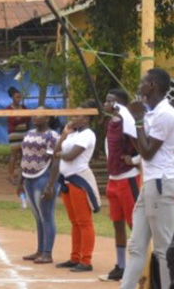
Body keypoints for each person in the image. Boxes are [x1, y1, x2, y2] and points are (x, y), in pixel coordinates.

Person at [121, 68, 174, 289]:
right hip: (151, 183)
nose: (139, 86)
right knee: (136, 246)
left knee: (163, 249)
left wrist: (139, 120)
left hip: (161, 183)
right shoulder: (153, 113)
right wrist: (129, 119)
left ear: (152, 85)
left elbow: (148, 152)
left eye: (143, 82)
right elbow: (140, 147)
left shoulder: (165, 114)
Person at [47, 101, 99, 273]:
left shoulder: (88, 135)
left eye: (77, 115)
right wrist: (63, 134)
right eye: (73, 115)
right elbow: (56, 151)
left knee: (84, 222)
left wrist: (61, 154)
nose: (73, 118)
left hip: (79, 180)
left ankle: (86, 260)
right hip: (67, 181)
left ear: (86, 118)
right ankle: (75, 256)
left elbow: (69, 156)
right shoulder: (73, 134)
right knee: (75, 222)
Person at [102, 89, 139, 282]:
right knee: (117, 223)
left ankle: (140, 265)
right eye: (106, 100)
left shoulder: (128, 122)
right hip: (113, 179)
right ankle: (121, 265)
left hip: (128, 178)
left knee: (135, 224)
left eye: (111, 102)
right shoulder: (111, 123)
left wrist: (133, 160)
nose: (106, 104)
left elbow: (142, 146)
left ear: (120, 105)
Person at [19, 114, 58, 264]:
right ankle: (40, 250)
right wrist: (19, 182)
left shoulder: (52, 136)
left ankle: (47, 253)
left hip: (43, 177)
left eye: (39, 114)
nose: (35, 116)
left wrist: (50, 185)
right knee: (38, 217)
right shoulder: (29, 133)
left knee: (46, 216)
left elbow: (55, 161)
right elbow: (24, 157)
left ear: (47, 118)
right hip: (28, 178)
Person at [7, 87, 30, 188]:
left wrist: (19, 118)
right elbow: (12, 121)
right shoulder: (8, 109)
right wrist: (21, 119)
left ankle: (21, 175)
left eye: (20, 97)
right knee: (14, 154)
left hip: (24, 133)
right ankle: (11, 175)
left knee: (23, 155)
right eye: (17, 97)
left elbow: (28, 118)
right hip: (14, 134)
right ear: (12, 97)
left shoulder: (24, 107)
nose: (19, 99)